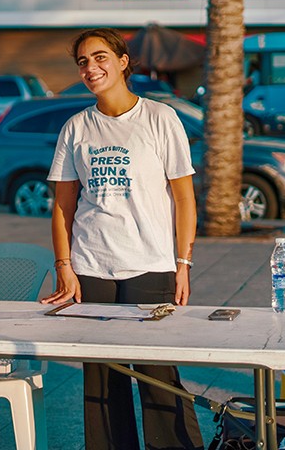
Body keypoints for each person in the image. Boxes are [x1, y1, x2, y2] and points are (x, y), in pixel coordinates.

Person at [41, 28, 203, 450]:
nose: (90, 68)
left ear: (123, 61)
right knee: (101, 379)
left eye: (99, 58)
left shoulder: (160, 118)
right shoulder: (76, 128)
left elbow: (184, 198)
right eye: (82, 62)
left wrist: (182, 264)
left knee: (158, 375)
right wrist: (65, 267)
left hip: (150, 264)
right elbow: (62, 207)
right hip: (92, 265)